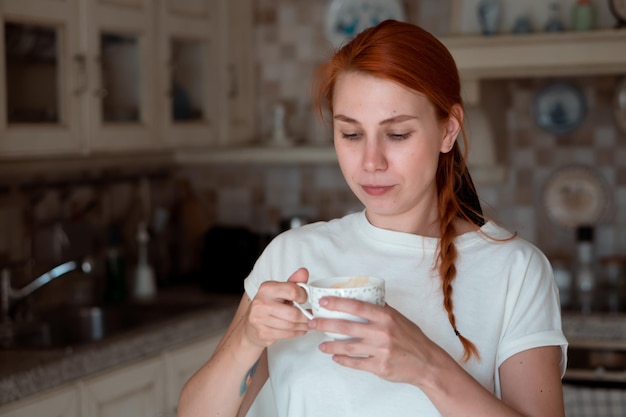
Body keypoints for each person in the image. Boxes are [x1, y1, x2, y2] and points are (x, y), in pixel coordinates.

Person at [178, 20, 568, 417]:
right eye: (351, 134)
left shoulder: (515, 269)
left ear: (448, 130)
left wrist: (427, 366)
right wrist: (246, 339)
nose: (370, 162)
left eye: (397, 134)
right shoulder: (290, 257)